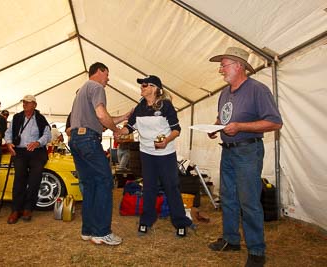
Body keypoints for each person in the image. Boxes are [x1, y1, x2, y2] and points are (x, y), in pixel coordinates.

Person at [207, 47, 283, 267]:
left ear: (238, 66)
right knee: (228, 199)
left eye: (224, 64)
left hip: (248, 151)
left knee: (249, 201)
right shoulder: (224, 93)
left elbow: (275, 122)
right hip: (228, 151)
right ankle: (231, 240)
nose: (221, 69)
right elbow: (223, 118)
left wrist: (241, 126)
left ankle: (257, 251)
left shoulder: (257, 90)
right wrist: (214, 128)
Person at [117, 75, 195, 237]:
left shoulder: (166, 106)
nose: (142, 88)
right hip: (146, 154)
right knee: (149, 188)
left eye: (145, 85)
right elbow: (129, 128)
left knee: (171, 187)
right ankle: (146, 221)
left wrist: (166, 141)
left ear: (154, 88)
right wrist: (119, 133)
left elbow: (176, 129)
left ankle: (180, 222)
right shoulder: (139, 107)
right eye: (141, 86)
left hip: (165, 154)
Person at [68, 62, 130, 246]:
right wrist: (117, 131)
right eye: (107, 74)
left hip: (77, 140)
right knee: (104, 182)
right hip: (89, 140)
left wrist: (125, 116)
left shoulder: (82, 91)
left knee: (90, 185)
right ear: (100, 71)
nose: (108, 79)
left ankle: (88, 230)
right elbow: (102, 115)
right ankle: (102, 232)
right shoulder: (96, 87)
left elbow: (100, 120)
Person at [4, 95, 51, 224]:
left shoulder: (41, 119)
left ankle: (28, 208)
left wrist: (38, 142)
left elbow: (47, 135)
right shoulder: (17, 117)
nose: (25, 104)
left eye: (28, 102)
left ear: (34, 105)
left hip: (36, 152)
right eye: (24, 102)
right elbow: (8, 133)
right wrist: (9, 143)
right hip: (20, 151)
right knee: (19, 179)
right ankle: (16, 209)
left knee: (35, 180)